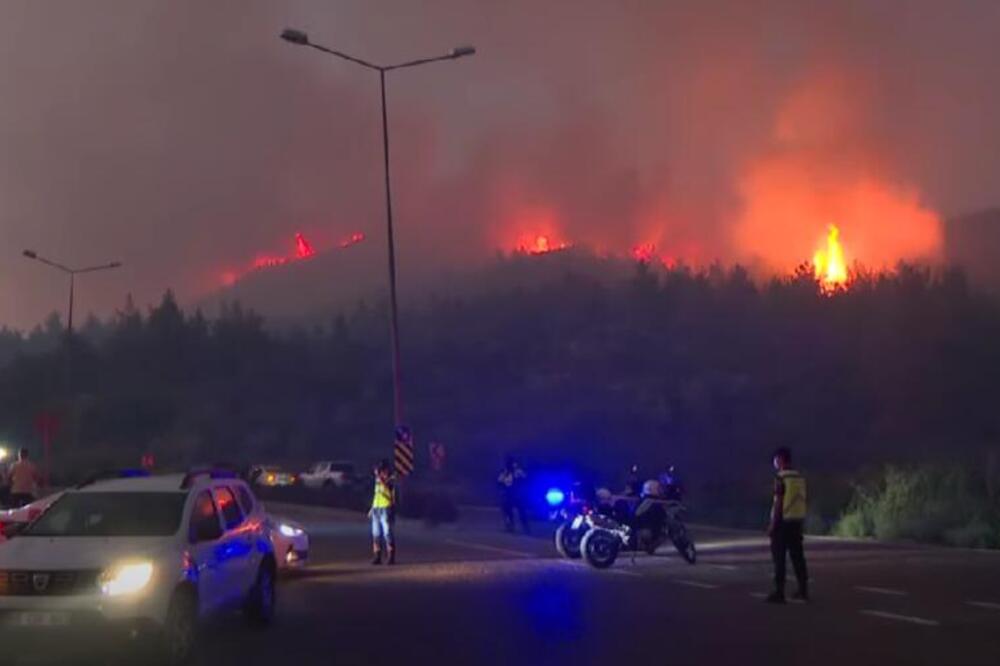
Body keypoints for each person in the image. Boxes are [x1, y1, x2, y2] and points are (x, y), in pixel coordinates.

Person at [766, 447, 809, 603]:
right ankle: (803, 590)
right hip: (796, 522)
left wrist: (772, 524)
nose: (775, 462)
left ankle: (779, 592)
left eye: (776, 459)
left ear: (781, 460)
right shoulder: (798, 477)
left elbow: (779, 502)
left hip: (782, 523)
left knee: (779, 558)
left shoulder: (781, 478)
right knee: (798, 557)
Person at [369, 459, 397, 565]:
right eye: (379, 470)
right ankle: (377, 556)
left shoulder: (391, 478)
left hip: (386, 507)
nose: (380, 472)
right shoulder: (378, 479)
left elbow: (386, 486)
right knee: (375, 533)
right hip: (377, 508)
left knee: (387, 533)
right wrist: (372, 508)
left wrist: (379, 477)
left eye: (382, 470)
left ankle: (391, 557)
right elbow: (377, 494)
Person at [497, 456, 529, 533]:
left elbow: (525, 479)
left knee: (520, 511)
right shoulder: (506, 472)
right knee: (509, 510)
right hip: (511, 494)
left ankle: (524, 527)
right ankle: (512, 526)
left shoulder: (516, 472)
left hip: (516, 494)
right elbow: (499, 482)